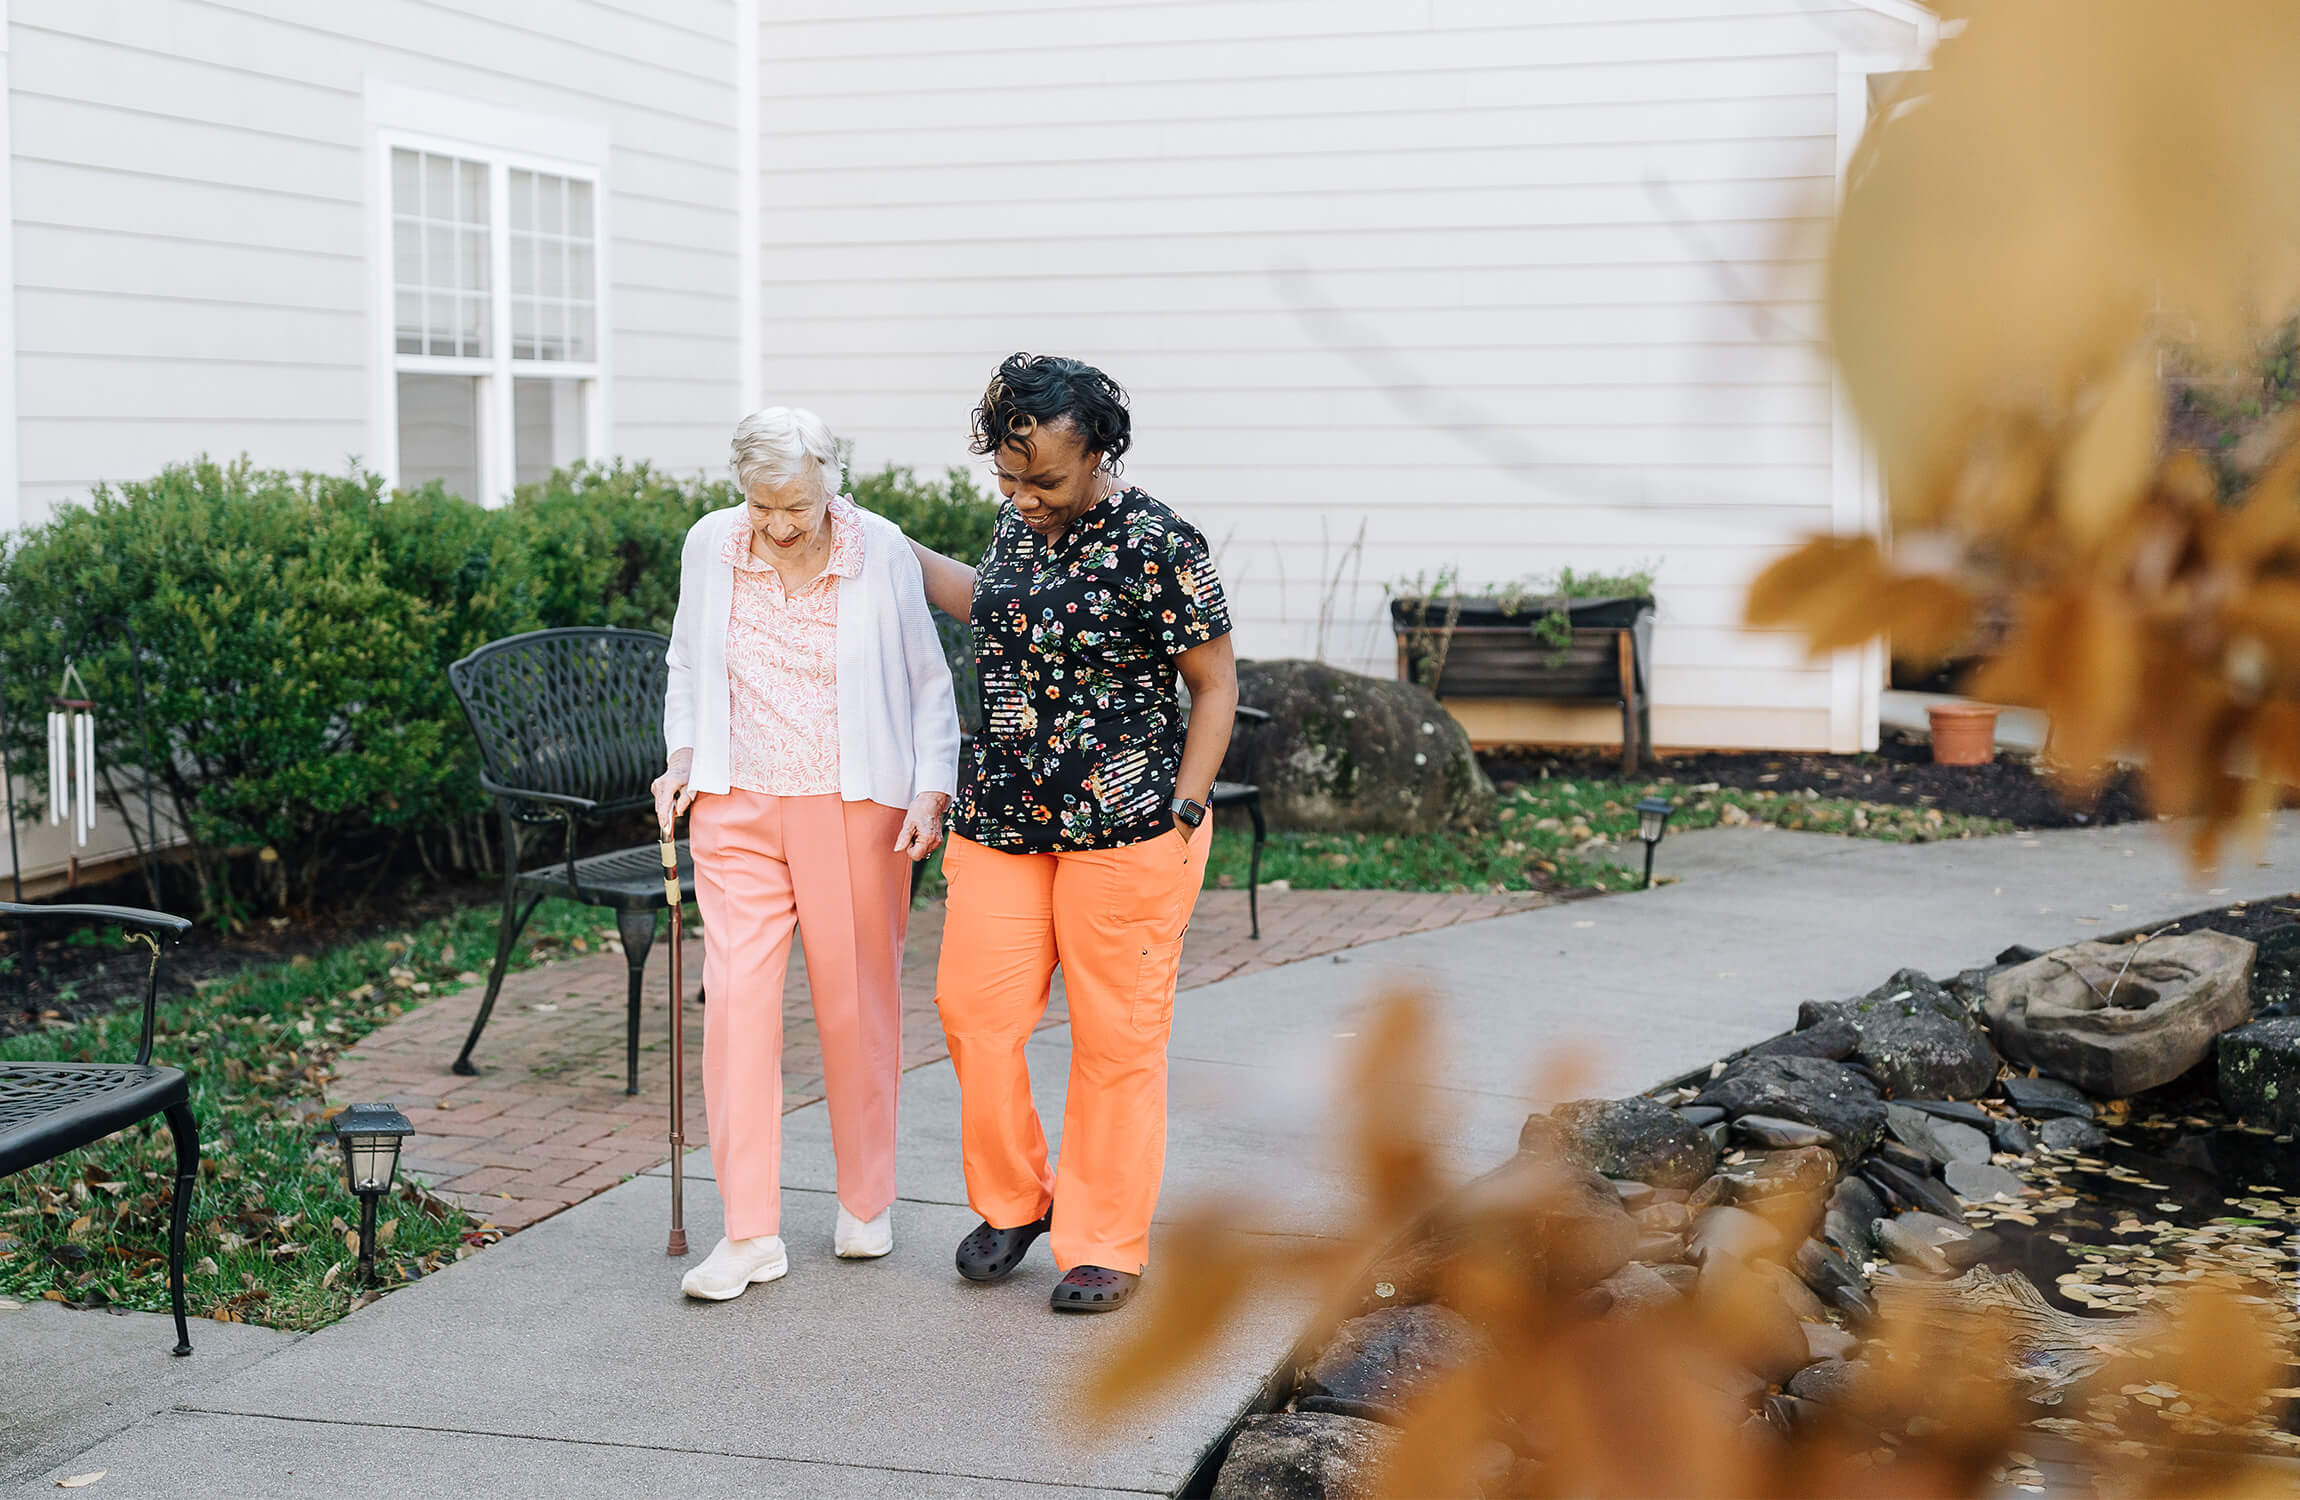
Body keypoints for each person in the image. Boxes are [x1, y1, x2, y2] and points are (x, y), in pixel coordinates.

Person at [908, 353, 1237, 1313]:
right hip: (1004, 818)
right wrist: (896, 551)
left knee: (1115, 1040)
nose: (1024, 498)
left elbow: (1214, 688)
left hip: (1127, 829)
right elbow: (1006, 608)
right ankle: (1017, 1201)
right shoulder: (1016, 525)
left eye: (1044, 480)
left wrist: (1181, 810)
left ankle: (1102, 1240)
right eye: (1007, 480)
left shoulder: (1161, 542)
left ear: (1099, 451)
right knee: (974, 1016)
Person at [655, 406, 959, 1300]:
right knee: (737, 1012)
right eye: (763, 507)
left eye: (796, 504)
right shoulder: (711, 544)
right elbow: (683, 664)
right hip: (735, 806)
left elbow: (927, 682)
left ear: (830, 478)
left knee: (855, 1008)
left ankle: (865, 1201)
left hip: (851, 805)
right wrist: (681, 760)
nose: (781, 525)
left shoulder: (881, 551)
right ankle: (749, 1233)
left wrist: (930, 788)